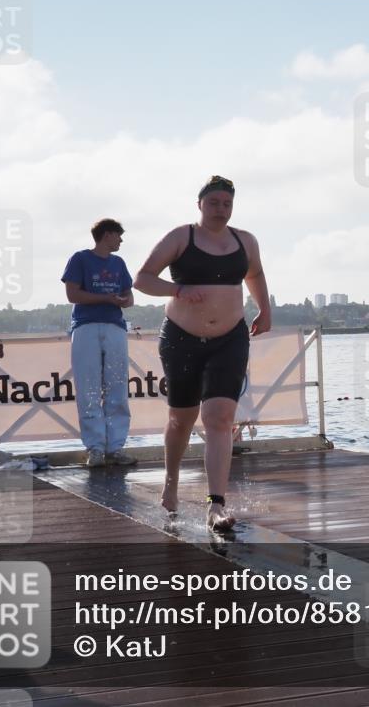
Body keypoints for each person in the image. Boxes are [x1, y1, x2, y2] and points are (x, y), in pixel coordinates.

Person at [133, 175, 272, 532]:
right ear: (200, 204)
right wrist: (178, 289)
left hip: (230, 337)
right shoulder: (182, 237)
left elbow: (255, 274)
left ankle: (216, 506)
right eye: (214, 203)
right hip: (182, 338)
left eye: (227, 204)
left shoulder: (246, 240)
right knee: (181, 418)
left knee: (219, 418)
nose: (220, 210)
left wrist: (265, 309)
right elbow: (143, 279)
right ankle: (171, 482)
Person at [61, 219, 137, 468]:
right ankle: (95, 447)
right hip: (86, 326)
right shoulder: (80, 258)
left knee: (117, 386)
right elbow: (73, 294)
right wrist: (106, 298)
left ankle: (115, 447)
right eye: (118, 235)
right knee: (88, 387)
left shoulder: (119, 263)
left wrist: (123, 301)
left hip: (115, 326)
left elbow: (130, 296)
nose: (121, 240)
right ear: (106, 235)